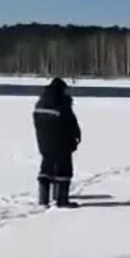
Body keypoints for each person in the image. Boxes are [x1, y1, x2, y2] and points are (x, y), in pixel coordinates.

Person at [33, 78, 81, 208]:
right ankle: (61, 199)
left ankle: (43, 199)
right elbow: (70, 122)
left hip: (44, 142)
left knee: (46, 166)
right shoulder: (62, 102)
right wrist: (75, 138)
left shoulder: (40, 102)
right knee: (64, 169)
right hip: (61, 143)